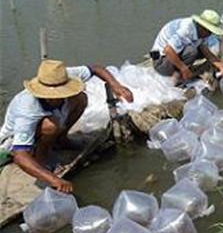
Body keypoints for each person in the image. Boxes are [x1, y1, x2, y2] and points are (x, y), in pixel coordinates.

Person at [0, 59, 134, 193]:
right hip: (16, 138)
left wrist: (116, 86)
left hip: (53, 118)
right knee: (51, 125)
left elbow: (96, 68)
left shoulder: (61, 76)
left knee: (80, 98)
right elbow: (20, 155)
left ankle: (61, 140)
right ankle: (42, 155)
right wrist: (54, 179)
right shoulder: (28, 107)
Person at [150, 10, 223, 82]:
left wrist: (222, 66)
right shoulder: (187, 29)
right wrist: (183, 68)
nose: (210, 34)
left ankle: (182, 70)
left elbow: (206, 52)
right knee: (192, 51)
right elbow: (168, 50)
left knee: (201, 50)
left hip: (172, 55)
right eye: (209, 31)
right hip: (161, 63)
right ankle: (178, 75)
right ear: (203, 27)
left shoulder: (199, 31)